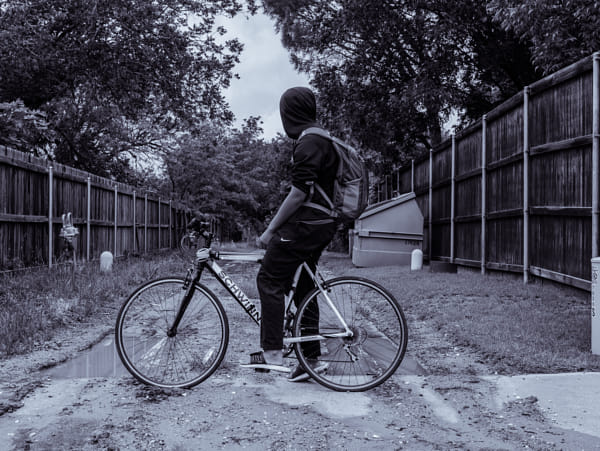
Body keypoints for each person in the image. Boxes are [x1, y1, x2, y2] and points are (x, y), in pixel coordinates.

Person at [240, 87, 338, 381]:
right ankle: (311, 360)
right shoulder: (321, 138)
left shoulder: (309, 142)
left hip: (309, 223)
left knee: (269, 278)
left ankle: (271, 351)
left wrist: (270, 231)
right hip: (321, 223)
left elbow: (298, 194)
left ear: (291, 113)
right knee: (305, 288)